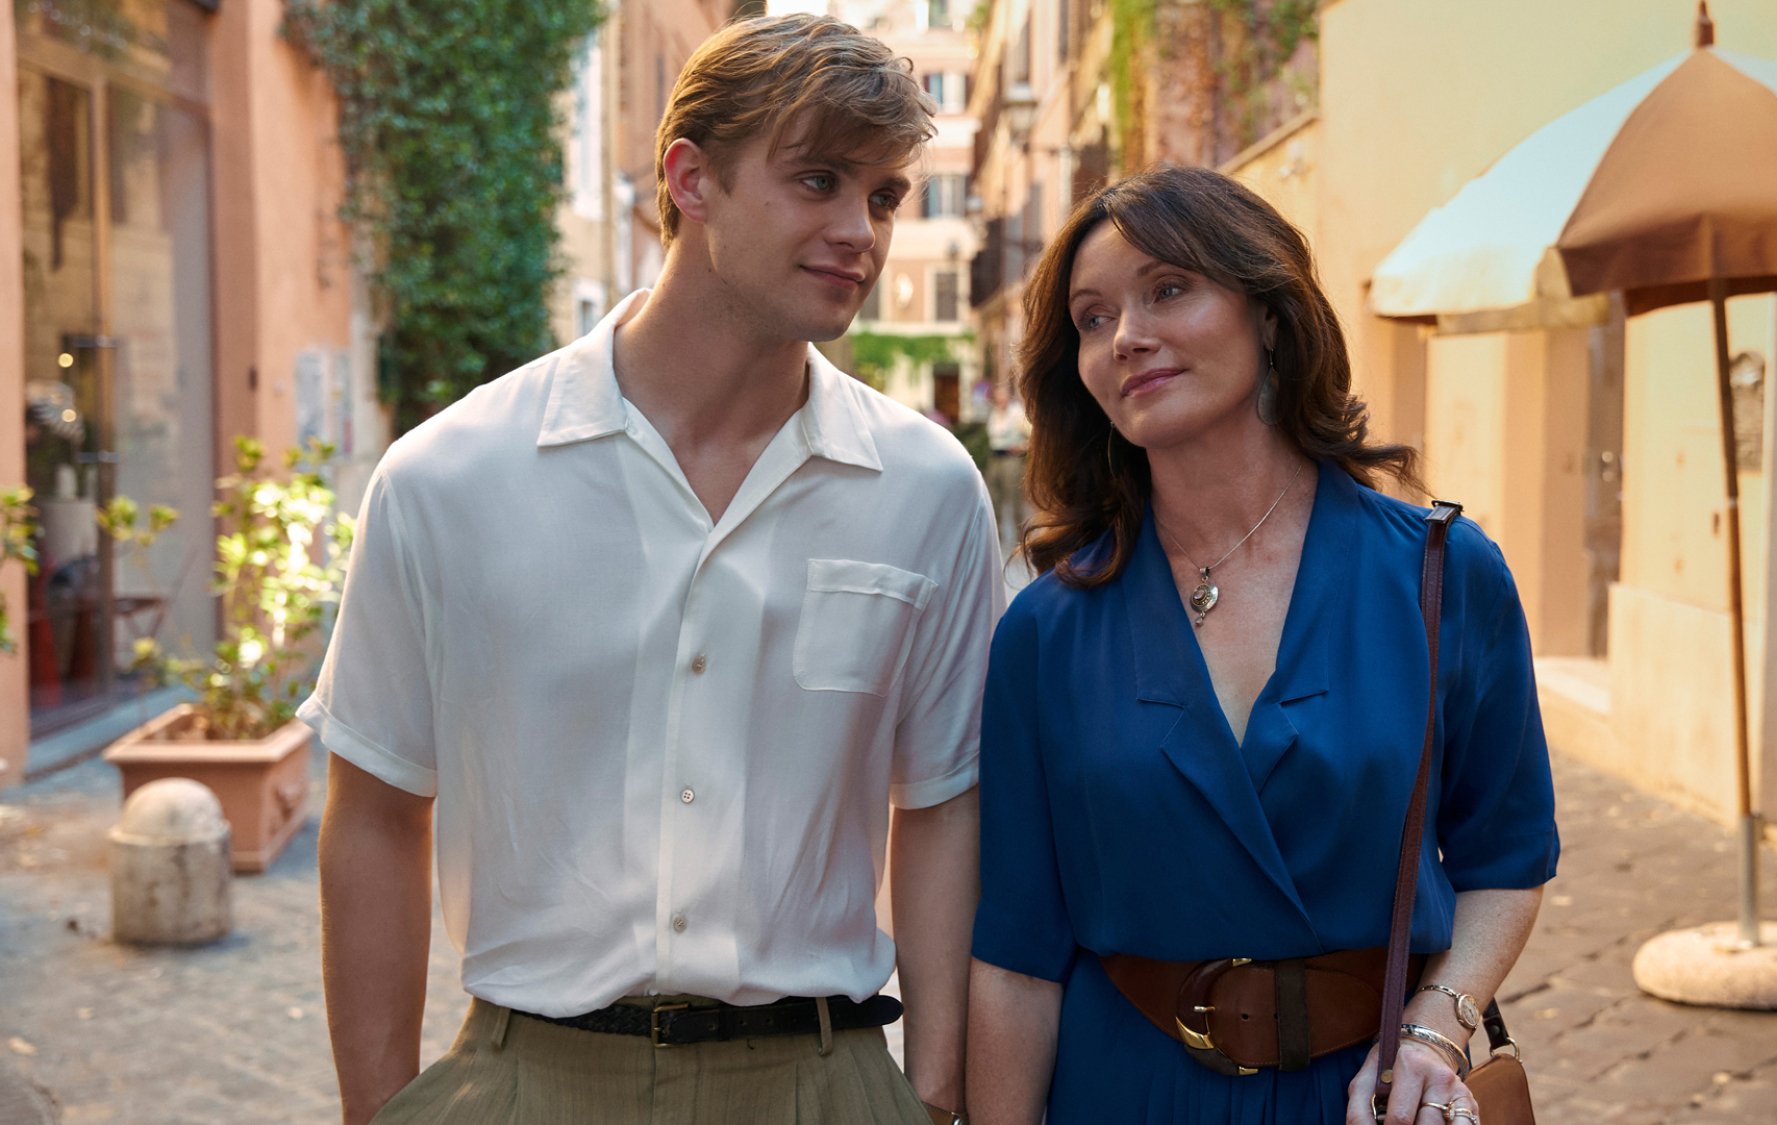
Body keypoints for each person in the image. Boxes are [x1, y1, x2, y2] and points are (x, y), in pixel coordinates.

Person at [308, 15, 997, 1124]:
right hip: (528, 1078)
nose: (856, 230)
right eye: (817, 179)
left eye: (882, 196)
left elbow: (941, 806)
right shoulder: (450, 476)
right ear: (691, 179)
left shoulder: (926, 489)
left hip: (824, 1082)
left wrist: (930, 1092)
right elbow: (379, 809)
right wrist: (378, 1108)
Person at [964, 165, 1559, 1125]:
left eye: (1168, 289)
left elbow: (1508, 854)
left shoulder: (1444, 575)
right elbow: (1018, 956)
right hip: (1126, 1090)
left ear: (1269, 313)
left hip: (1369, 1095)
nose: (1128, 336)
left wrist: (1437, 1027)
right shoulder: (1046, 629)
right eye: (1092, 316)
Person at [983, 379, 1032, 547]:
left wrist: (1022, 447)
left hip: (1010, 459)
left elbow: (1032, 436)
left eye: (1003, 396)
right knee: (994, 496)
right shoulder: (995, 413)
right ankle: (997, 534)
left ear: (1008, 397)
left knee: (1014, 496)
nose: (1000, 399)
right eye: (998, 396)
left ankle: (1021, 536)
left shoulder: (1016, 413)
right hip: (995, 458)